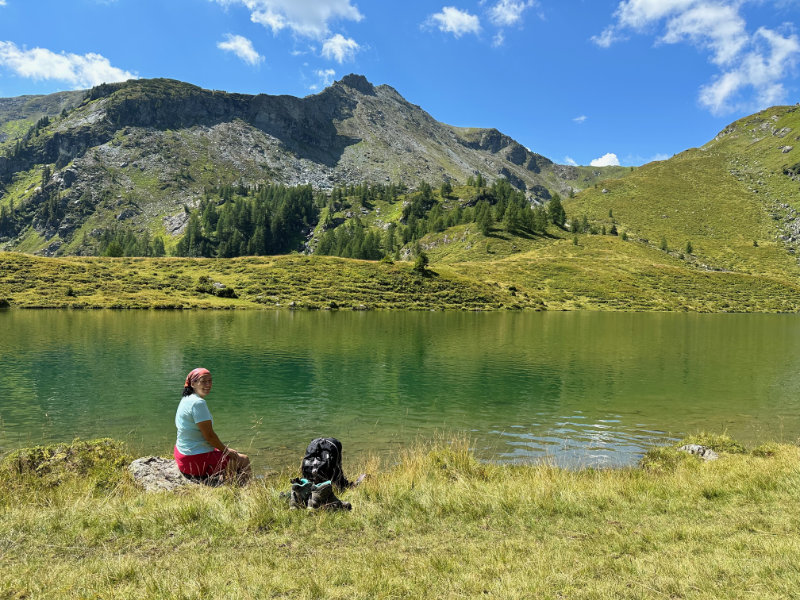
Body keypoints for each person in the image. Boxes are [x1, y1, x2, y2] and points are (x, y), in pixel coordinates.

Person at [174, 367, 251, 484]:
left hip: (182, 454)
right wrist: (226, 451)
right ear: (193, 383)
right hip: (194, 461)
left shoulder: (186, 398)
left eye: (210, 381)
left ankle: (226, 481)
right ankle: (243, 491)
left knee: (230, 454)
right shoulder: (198, 403)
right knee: (243, 459)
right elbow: (209, 437)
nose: (208, 384)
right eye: (203, 381)